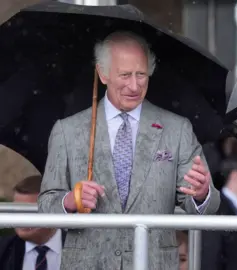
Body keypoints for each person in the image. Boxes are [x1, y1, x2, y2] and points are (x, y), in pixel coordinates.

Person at [38, 31, 220, 270]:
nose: (134, 86)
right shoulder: (67, 131)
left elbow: (210, 206)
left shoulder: (177, 129)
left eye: (141, 75)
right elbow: (45, 205)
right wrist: (70, 201)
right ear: (103, 74)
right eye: (125, 75)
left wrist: (201, 194)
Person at [0, 175, 66, 270]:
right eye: (16, 211)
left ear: (53, 211)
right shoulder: (3, 249)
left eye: (30, 211)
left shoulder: (81, 247)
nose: (22, 219)